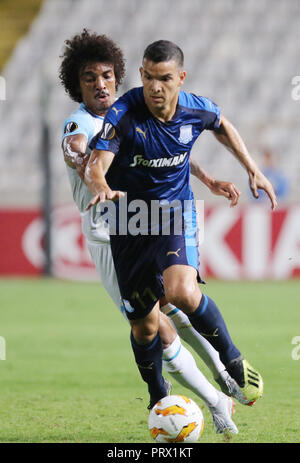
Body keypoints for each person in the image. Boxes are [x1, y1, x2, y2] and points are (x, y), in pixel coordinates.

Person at [59, 31, 246, 434]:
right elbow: (77, 151)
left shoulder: (131, 116)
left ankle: (224, 375)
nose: (100, 84)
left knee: (178, 304)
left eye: (107, 75)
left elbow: (165, 154)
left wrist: (208, 177)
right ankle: (211, 402)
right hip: (110, 236)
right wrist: (90, 169)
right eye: (90, 78)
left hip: (147, 222)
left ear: (119, 75)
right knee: (156, 325)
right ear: (78, 84)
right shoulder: (80, 122)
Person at [86, 39, 277, 410]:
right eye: (149, 78)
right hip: (129, 222)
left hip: (176, 213)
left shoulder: (195, 109)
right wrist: (102, 187)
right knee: (144, 327)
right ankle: (158, 393)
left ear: (180, 78)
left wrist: (251, 170)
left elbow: (221, 125)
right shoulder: (123, 115)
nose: (156, 87)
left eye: (165, 79)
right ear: (141, 75)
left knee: (182, 291)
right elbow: (97, 165)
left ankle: (233, 359)